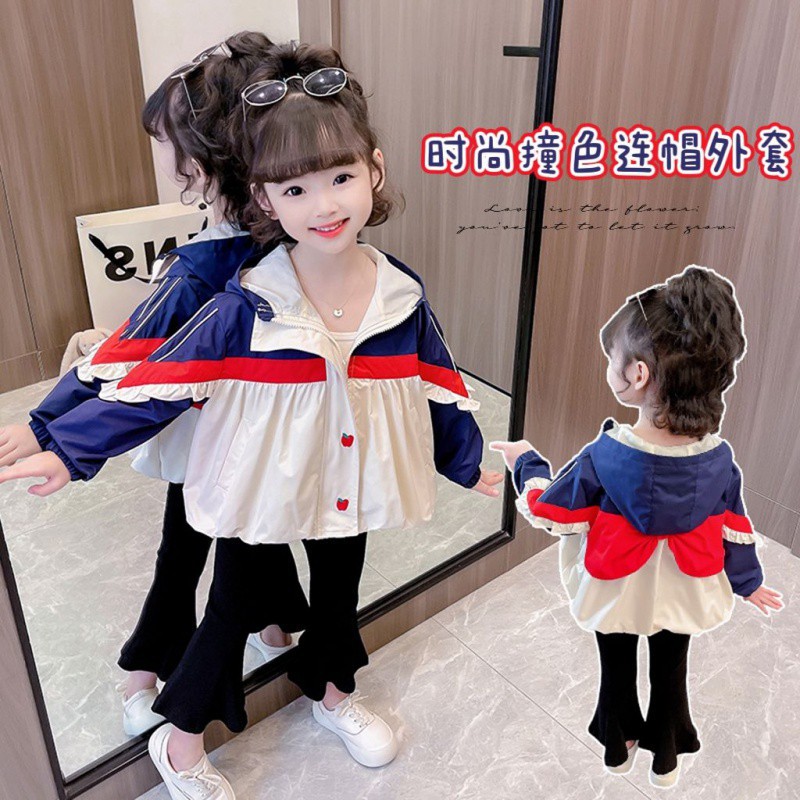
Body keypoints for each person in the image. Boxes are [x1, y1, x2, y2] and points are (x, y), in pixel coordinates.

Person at [0, 41, 503, 800]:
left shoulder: (385, 282)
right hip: (230, 442)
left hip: (329, 450)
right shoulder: (227, 276)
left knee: (319, 570)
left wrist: (466, 461)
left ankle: (315, 671)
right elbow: (147, 365)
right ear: (265, 190)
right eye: (296, 186)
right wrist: (57, 435)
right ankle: (170, 699)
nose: (323, 202)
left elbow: (435, 377)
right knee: (204, 562)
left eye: (338, 177)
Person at [0, 32, 309, 740]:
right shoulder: (223, 255)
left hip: (252, 433)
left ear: (201, 162)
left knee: (240, 539)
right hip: (212, 431)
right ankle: (151, 672)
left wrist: (52, 428)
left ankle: (264, 629)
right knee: (200, 546)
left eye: (167, 142)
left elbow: (129, 348)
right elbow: (129, 351)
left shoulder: (264, 248)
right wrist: (51, 428)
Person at [491, 266, 783, 789]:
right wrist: (749, 582)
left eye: (613, 358)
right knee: (671, 669)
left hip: (616, 583)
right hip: (685, 585)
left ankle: (618, 742)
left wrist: (525, 462)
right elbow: (734, 525)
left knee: (616, 661)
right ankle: (665, 756)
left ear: (639, 374)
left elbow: (550, 510)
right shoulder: (719, 460)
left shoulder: (605, 456)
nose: (610, 366)